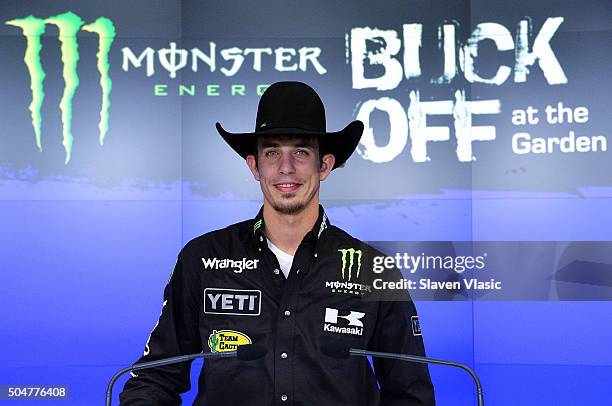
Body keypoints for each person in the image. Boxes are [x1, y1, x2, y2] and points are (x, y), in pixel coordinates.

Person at [120, 81, 435, 405]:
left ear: (324, 165)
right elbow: (154, 379)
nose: (286, 168)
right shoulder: (203, 259)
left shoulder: (373, 269)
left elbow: (410, 395)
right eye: (272, 152)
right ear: (254, 166)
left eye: (300, 151)